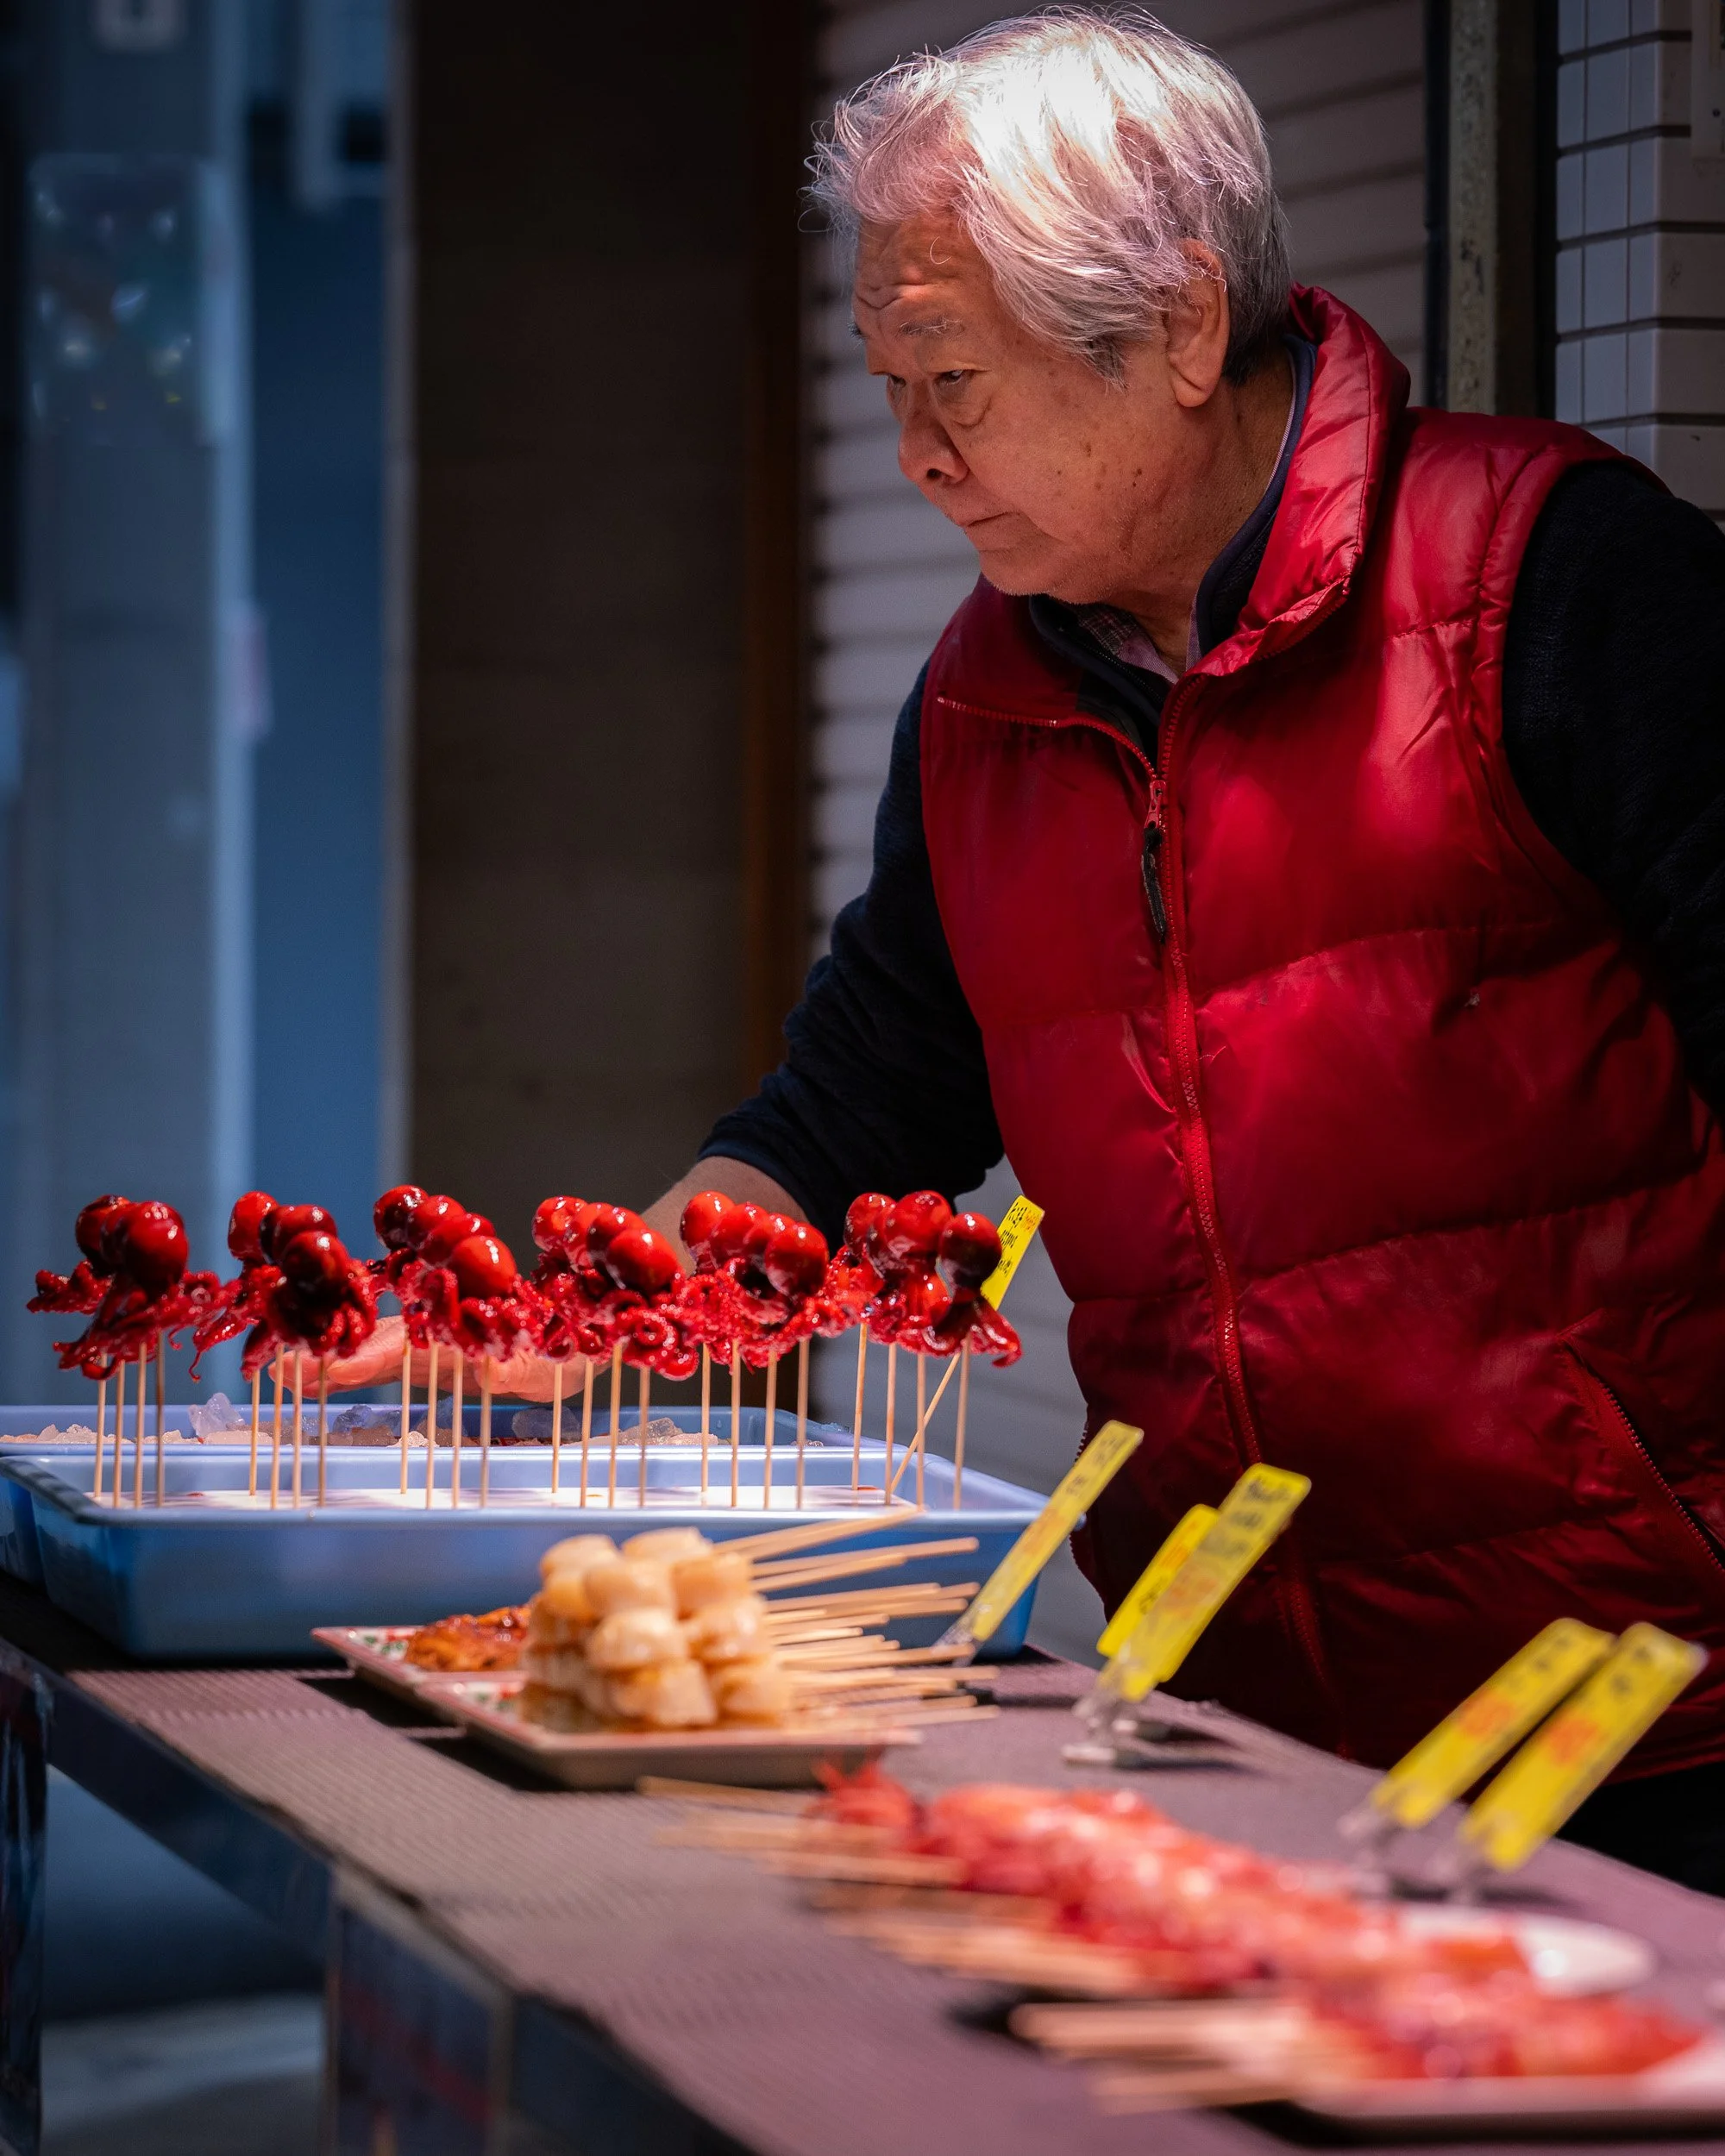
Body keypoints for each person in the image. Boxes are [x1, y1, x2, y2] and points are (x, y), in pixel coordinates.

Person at [341, 10, 1725, 1889]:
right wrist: (571, 1324)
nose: (914, 454)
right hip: (1234, 1704)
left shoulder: (1545, 578)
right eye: (886, 384)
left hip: (1650, 1714)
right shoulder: (984, 695)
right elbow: (855, 1111)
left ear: (1177, 326)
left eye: (953, 381)